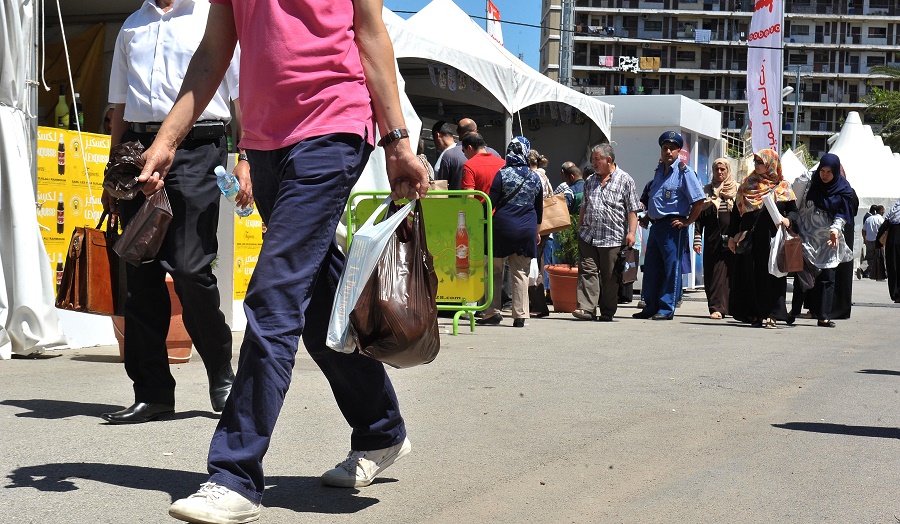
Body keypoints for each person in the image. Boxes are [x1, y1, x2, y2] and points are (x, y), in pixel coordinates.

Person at [138, 1, 429, 522]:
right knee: (315, 298)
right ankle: (381, 429)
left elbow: (370, 33)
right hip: (266, 141)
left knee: (273, 296)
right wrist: (167, 139)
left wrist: (397, 141)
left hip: (332, 126)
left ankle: (235, 473)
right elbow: (213, 52)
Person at [99, 0, 244, 425]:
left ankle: (221, 370)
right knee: (138, 273)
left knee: (189, 267)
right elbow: (120, 107)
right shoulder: (132, 24)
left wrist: (247, 153)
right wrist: (113, 173)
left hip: (199, 150)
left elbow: (238, 94)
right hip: (137, 152)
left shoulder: (211, 16)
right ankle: (153, 392)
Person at [633, 131, 704, 321]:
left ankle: (666, 308)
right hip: (655, 226)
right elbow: (657, 199)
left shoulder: (684, 172)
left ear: (679, 151)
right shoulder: (659, 171)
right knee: (651, 268)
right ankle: (650, 306)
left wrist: (688, 221)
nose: (668, 152)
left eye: (672, 148)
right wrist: (648, 216)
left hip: (673, 226)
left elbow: (699, 201)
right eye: (665, 148)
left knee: (671, 268)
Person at [476, 137, 543, 328]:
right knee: (521, 272)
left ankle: (492, 311)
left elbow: (491, 202)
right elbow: (539, 210)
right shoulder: (534, 177)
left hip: (502, 229)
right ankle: (520, 315)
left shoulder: (502, 175)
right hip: (527, 229)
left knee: (494, 271)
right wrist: (536, 232)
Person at [727, 149, 798, 329]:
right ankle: (755, 314)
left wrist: (787, 220)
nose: (756, 165)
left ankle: (773, 314)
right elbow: (736, 213)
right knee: (751, 275)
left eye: (760, 162)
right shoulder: (747, 185)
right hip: (750, 239)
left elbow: (794, 211)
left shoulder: (783, 186)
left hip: (773, 239)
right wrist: (731, 236)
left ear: (771, 164)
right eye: (756, 162)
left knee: (773, 275)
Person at [572, 143, 639, 322]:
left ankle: (607, 311)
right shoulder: (590, 181)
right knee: (587, 272)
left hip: (612, 238)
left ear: (608, 160)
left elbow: (632, 210)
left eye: (596, 159)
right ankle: (586, 308)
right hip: (589, 236)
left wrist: (631, 233)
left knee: (610, 277)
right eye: (592, 159)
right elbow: (584, 207)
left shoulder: (625, 180)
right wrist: (579, 230)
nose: (593, 163)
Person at [692, 157, 736, 319]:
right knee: (713, 275)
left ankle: (729, 307)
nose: (719, 172)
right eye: (717, 169)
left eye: (723, 169)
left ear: (728, 170)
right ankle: (716, 307)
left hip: (732, 241)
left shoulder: (736, 190)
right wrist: (697, 240)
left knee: (730, 274)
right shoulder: (706, 191)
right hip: (712, 241)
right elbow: (698, 219)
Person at [436, 117, 497, 189]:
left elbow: (441, 187)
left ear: (458, 132)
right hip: (489, 199)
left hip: (457, 200)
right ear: (476, 132)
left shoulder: (449, 155)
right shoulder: (494, 154)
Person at [460, 132, 504, 201]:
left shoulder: (469, 166)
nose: (464, 154)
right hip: (501, 210)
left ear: (469, 148)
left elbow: (469, 197)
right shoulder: (503, 163)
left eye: (463, 150)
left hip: (481, 210)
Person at [877, 199, 900, 303]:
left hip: (892, 241)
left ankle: (896, 294)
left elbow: (883, 227)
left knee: (893, 268)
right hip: (893, 241)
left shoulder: (892, 212)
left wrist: (878, 244)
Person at [863, 205, 886, 280]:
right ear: (880, 211)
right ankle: (880, 273)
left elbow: (863, 230)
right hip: (877, 241)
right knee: (880, 257)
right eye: (883, 211)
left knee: (869, 257)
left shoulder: (869, 219)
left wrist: (865, 238)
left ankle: (865, 270)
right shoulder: (881, 219)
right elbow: (884, 231)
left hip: (869, 240)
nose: (884, 212)